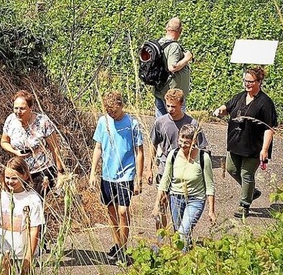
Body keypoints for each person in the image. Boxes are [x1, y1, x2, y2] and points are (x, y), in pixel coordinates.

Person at [213, 67, 277, 218]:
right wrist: (220, 110)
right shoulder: (240, 96)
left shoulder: (265, 102)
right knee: (231, 169)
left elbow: (269, 128)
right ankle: (251, 191)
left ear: (259, 82)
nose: (247, 84)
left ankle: (244, 205)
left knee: (247, 174)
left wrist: (265, 149)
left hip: (254, 146)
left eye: (250, 81)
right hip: (235, 143)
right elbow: (227, 107)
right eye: (245, 81)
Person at [89, 92, 144, 264]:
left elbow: (139, 152)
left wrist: (139, 178)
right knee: (111, 211)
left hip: (125, 174)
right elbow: (98, 148)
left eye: (114, 111)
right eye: (109, 111)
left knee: (123, 211)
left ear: (121, 106)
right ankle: (117, 243)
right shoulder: (102, 122)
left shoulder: (132, 124)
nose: (112, 114)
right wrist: (92, 172)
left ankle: (123, 246)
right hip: (107, 174)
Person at [146, 88, 207, 240]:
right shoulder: (161, 122)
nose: (170, 109)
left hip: (185, 173)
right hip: (165, 168)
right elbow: (153, 144)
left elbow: (201, 148)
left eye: (174, 106)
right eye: (168, 106)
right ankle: (161, 242)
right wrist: (149, 168)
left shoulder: (192, 123)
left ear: (181, 104)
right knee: (161, 207)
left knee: (179, 210)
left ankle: (180, 239)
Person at [154, 125, 215, 252]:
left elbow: (209, 186)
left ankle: (183, 262)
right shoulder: (173, 155)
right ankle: (184, 258)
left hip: (196, 199)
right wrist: (156, 205)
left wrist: (211, 210)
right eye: (180, 141)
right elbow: (165, 180)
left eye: (186, 143)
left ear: (194, 142)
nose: (182, 145)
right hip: (176, 197)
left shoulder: (204, 158)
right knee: (179, 234)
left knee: (182, 233)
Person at [0, 90, 64, 197]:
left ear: (30, 108)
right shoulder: (11, 120)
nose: (18, 111)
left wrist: (60, 172)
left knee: (35, 203)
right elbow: (4, 141)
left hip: (41, 171)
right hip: (19, 172)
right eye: (16, 108)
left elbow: (55, 148)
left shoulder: (43, 122)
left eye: (22, 108)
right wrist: (15, 151)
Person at [153, 17, 193, 117]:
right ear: (180, 31)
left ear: (167, 28)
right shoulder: (174, 46)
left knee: (161, 123)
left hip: (160, 90)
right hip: (173, 95)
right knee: (177, 123)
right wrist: (187, 58)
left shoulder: (159, 42)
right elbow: (172, 67)